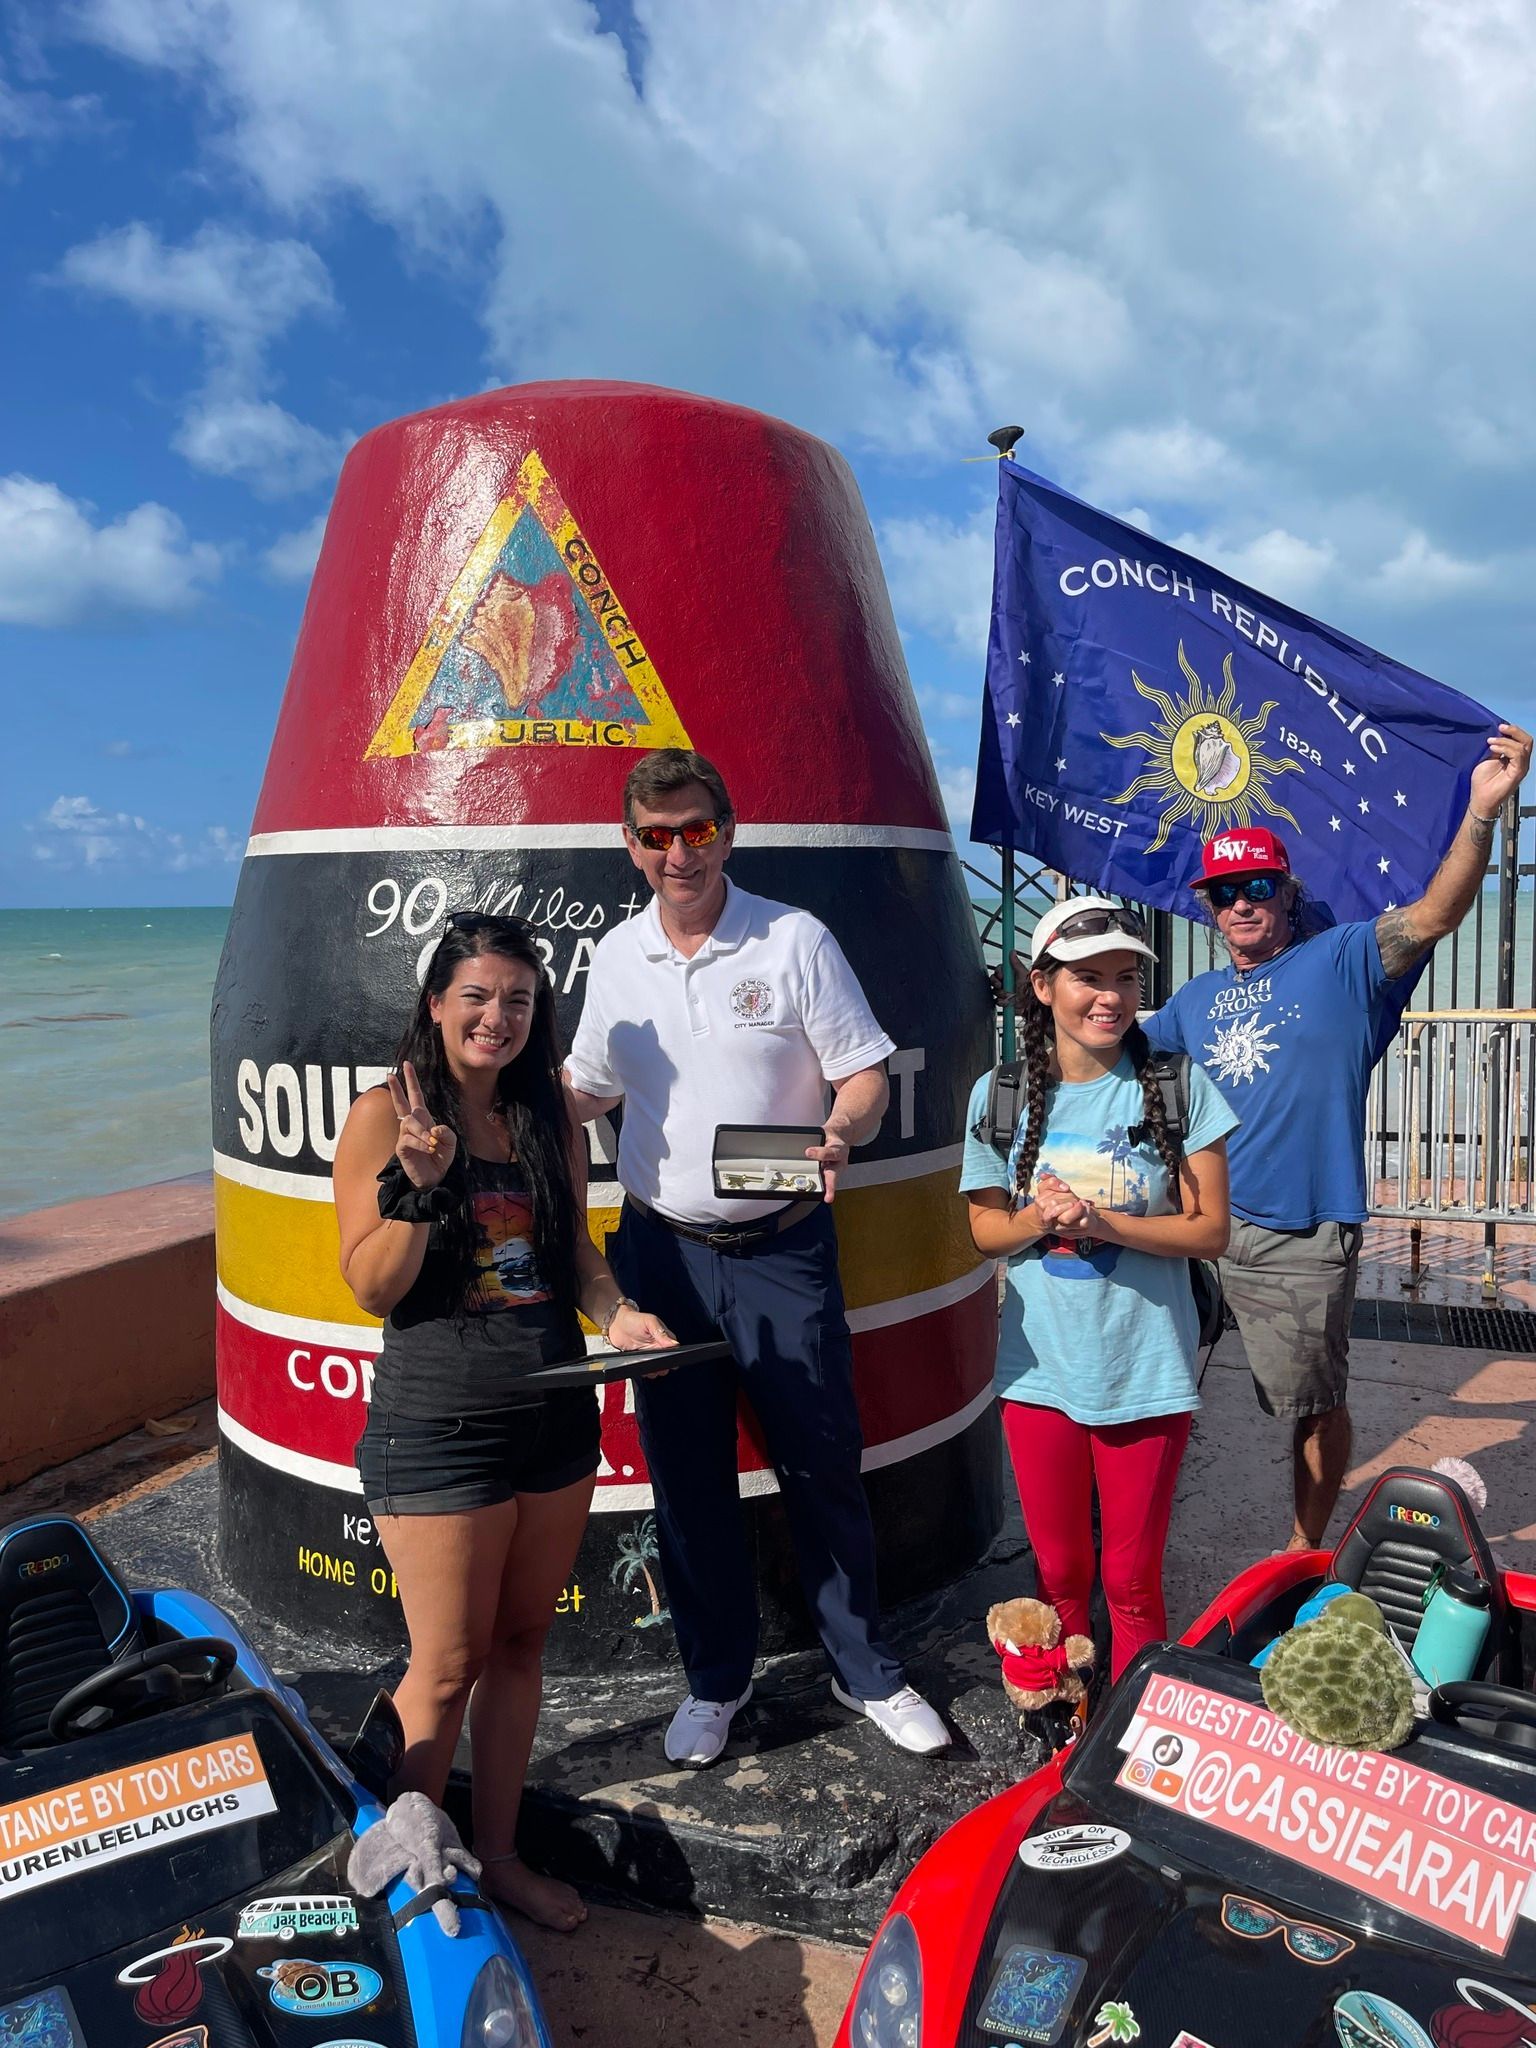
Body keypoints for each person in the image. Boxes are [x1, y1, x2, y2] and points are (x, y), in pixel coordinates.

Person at [563, 747, 949, 1766]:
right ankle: (713, 1682)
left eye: (697, 829)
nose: (679, 852)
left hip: (783, 1248)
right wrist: (462, 1099)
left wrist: (842, 1129)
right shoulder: (615, 956)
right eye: (658, 835)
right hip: (662, 1255)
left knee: (822, 1464)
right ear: (631, 846)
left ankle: (865, 1668)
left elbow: (862, 1071)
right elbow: (587, 1088)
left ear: (726, 831)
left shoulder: (793, 938)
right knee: (685, 1480)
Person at [332, 913, 675, 1932]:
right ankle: (407, 1876)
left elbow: (578, 1258)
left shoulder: (548, 1119)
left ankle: (499, 1856)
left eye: (518, 999)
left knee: (524, 1641)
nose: (497, 1016)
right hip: (440, 1427)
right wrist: (421, 1189)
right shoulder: (381, 1115)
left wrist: (620, 1314)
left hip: (554, 1414)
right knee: (444, 1663)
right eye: (476, 995)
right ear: (435, 1002)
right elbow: (369, 1285)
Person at [1145, 722, 1533, 1551]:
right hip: (1194, 1229)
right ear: (1208, 909)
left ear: (1287, 893)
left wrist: (1481, 816)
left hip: (1297, 1234)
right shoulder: (1194, 998)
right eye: (1223, 892)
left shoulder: (1346, 960)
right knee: (1158, 1386)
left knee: (1313, 1405)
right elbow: (1113, 1053)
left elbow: (1436, 914)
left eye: (1256, 885)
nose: (1241, 902)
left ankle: (1303, 1552)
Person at [960, 898, 1236, 1684]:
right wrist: (1039, 1219)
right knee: (1058, 1573)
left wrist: (1104, 1224)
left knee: (1131, 1577)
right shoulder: (1000, 1093)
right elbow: (985, 1234)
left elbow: (1209, 1229)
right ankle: (1065, 1717)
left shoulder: (1177, 1084)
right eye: (1088, 977)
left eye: (1125, 978)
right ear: (1042, 986)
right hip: (1038, 1369)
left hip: (1145, 1368)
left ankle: (1134, 1727)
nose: (1110, 996)